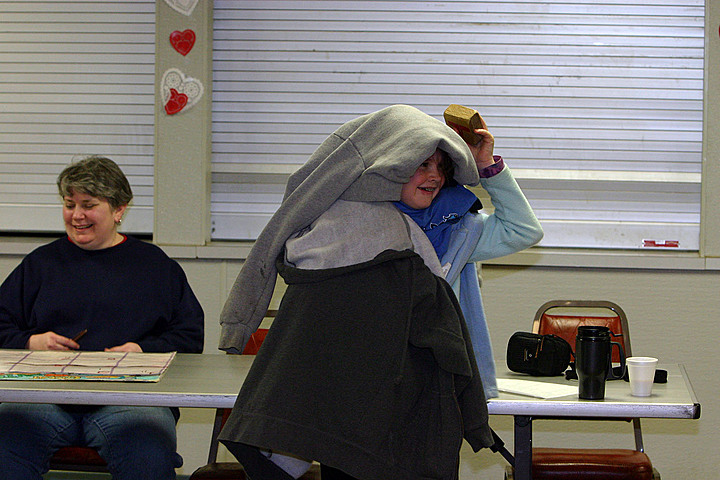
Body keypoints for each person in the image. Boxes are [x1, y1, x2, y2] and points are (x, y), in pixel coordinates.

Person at [216, 104, 540, 480]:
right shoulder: (349, 229)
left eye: (442, 167)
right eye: (421, 165)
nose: (434, 176)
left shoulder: (458, 226)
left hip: (425, 384)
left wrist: (487, 167)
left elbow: (523, 230)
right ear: (389, 167)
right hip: (361, 390)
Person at [0, 155, 204, 480]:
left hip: (130, 401)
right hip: (42, 398)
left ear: (119, 209)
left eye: (88, 204)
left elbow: (189, 336)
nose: (77, 215)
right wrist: (30, 341)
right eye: (70, 204)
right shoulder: (40, 264)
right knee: (4, 445)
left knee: (148, 453)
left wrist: (142, 350)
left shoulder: (155, 267)